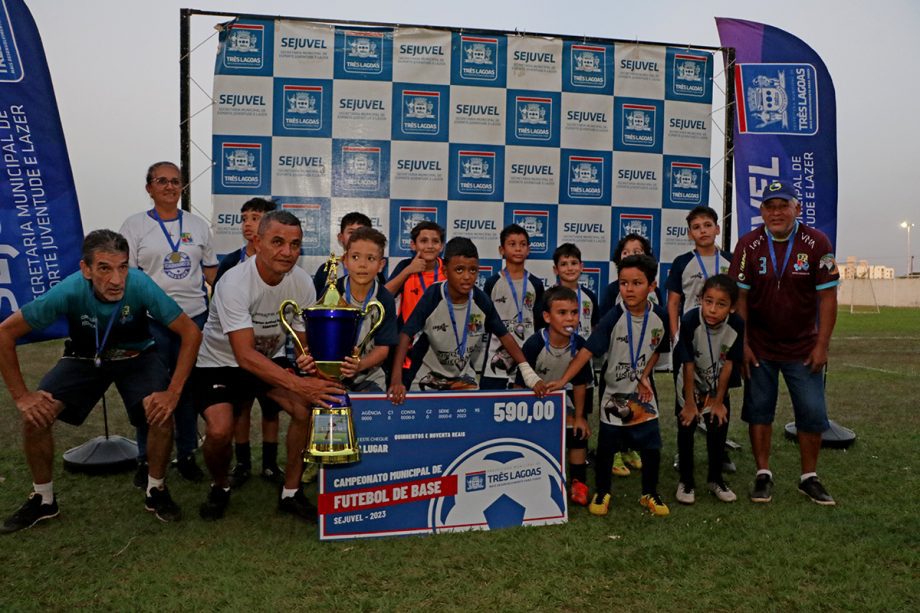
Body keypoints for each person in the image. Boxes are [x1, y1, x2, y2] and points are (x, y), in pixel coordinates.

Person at [0, 230, 202, 533]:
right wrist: (21, 396)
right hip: (85, 357)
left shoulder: (140, 285)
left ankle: (156, 489)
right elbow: (5, 333)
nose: (116, 279)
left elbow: (190, 332)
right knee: (35, 417)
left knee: (161, 411)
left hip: (137, 357)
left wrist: (173, 392)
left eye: (122, 267)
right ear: (86, 269)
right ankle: (43, 499)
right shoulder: (69, 290)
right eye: (105, 268)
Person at [193, 211, 344, 522]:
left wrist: (310, 363)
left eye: (294, 244)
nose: (287, 252)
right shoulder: (234, 282)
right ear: (257, 241)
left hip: (268, 359)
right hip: (221, 363)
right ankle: (220, 486)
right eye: (277, 242)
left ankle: (290, 492)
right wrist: (301, 384)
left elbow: (303, 340)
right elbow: (244, 355)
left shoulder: (301, 282)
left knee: (303, 410)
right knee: (219, 431)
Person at [728, 179, 840, 506]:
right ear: (761, 211)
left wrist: (822, 345)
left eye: (783, 205)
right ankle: (763, 474)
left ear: (797, 208)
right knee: (759, 411)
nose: (776, 212)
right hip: (760, 346)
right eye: (770, 206)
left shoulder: (817, 242)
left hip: (802, 347)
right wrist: (743, 343)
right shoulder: (748, 244)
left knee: (812, 411)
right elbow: (741, 300)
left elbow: (828, 299)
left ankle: (809, 477)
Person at [548, 254, 671, 517]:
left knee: (652, 446)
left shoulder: (660, 316)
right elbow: (586, 352)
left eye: (637, 283)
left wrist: (645, 375)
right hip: (613, 394)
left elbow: (658, 349)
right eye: (624, 283)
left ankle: (650, 492)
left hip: (640, 394)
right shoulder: (613, 317)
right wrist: (563, 380)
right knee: (607, 448)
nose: (629, 289)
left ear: (652, 286)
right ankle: (603, 491)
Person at [119, 161, 216, 485]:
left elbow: (211, 272)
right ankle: (146, 459)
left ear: (182, 187)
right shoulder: (133, 227)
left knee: (185, 389)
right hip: (152, 322)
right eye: (162, 181)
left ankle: (187, 454)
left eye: (176, 181)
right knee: (153, 392)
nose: (170, 186)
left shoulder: (198, 226)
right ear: (149, 188)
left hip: (192, 320)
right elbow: (127, 276)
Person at [387, 237, 546, 401]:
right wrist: (396, 379)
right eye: (459, 270)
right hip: (426, 379)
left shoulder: (481, 300)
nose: (467, 277)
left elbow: (505, 335)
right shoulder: (433, 296)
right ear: (445, 271)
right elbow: (405, 334)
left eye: (473, 270)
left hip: (463, 380)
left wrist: (529, 375)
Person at [213, 197, 285, 488]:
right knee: (240, 407)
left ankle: (269, 464)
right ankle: (242, 463)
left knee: (271, 408)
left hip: (271, 351)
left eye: (254, 217)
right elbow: (218, 305)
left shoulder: (284, 264)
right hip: (237, 353)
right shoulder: (231, 262)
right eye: (244, 218)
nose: (247, 224)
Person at [665, 206, 736, 476]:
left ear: (717, 229)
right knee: (687, 398)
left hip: (721, 340)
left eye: (708, 225)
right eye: (696, 227)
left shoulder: (730, 260)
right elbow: (673, 302)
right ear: (689, 233)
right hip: (690, 339)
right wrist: (675, 336)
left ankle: (719, 452)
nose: (703, 231)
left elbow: (738, 301)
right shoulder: (683, 262)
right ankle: (683, 453)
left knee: (720, 395)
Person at [515, 287, 593, 506]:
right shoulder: (534, 344)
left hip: (563, 401)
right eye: (562, 313)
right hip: (533, 402)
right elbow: (519, 383)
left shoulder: (580, 346)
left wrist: (579, 416)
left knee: (578, 433)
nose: (570, 318)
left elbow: (580, 384)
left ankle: (578, 483)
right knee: (533, 441)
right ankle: (531, 480)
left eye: (574, 312)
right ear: (547, 317)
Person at [673, 275, 744, 504]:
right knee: (687, 427)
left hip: (716, 385)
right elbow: (687, 363)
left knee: (718, 425)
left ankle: (715, 478)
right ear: (701, 299)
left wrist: (718, 401)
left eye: (721, 304)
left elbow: (729, 365)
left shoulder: (737, 325)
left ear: (731, 307)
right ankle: (686, 480)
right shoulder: (691, 320)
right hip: (690, 381)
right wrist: (690, 404)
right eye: (708, 301)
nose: (712, 309)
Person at [598, 233, 662, 477]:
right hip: (615, 363)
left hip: (643, 366)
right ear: (619, 258)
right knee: (613, 405)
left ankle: (630, 448)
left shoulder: (654, 291)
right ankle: (613, 451)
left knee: (638, 404)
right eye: (627, 252)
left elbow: (661, 324)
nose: (633, 255)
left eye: (638, 251)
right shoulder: (612, 289)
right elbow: (602, 324)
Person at [480, 224, 545, 389]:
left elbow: (540, 322)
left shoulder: (535, 284)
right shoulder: (492, 283)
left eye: (523, 244)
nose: (518, 249)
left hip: (527, 358)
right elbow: (485, 323)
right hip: (496, 357)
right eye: (512, 244)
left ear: (528, 250)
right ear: (501, 250)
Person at [335, 227, 399, 392]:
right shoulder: (332, 292)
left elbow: (383, 348)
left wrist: (360, 365)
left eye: (370, 258)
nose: (362, 264)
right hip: (334, 374)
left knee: (374, 414)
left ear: (381, 264)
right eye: (355, 257)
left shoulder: (385, 299)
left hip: (370, 375)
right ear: (345, 261)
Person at [384, 220, 445, 328]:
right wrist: (408, 271)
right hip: (407, 337)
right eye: (423, 241)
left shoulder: (447, 268)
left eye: (435, 241)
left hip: (440, 334)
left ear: (442, 246)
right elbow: (384, 296)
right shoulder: (406, 265)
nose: (430, 246)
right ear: (413, 245)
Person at [313, 211, 385, 293]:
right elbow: (317, 302)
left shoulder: (375, 271)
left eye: (361, 232)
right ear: (340, 237)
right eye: (351, 232)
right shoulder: (327, 269)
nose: (356, 237)